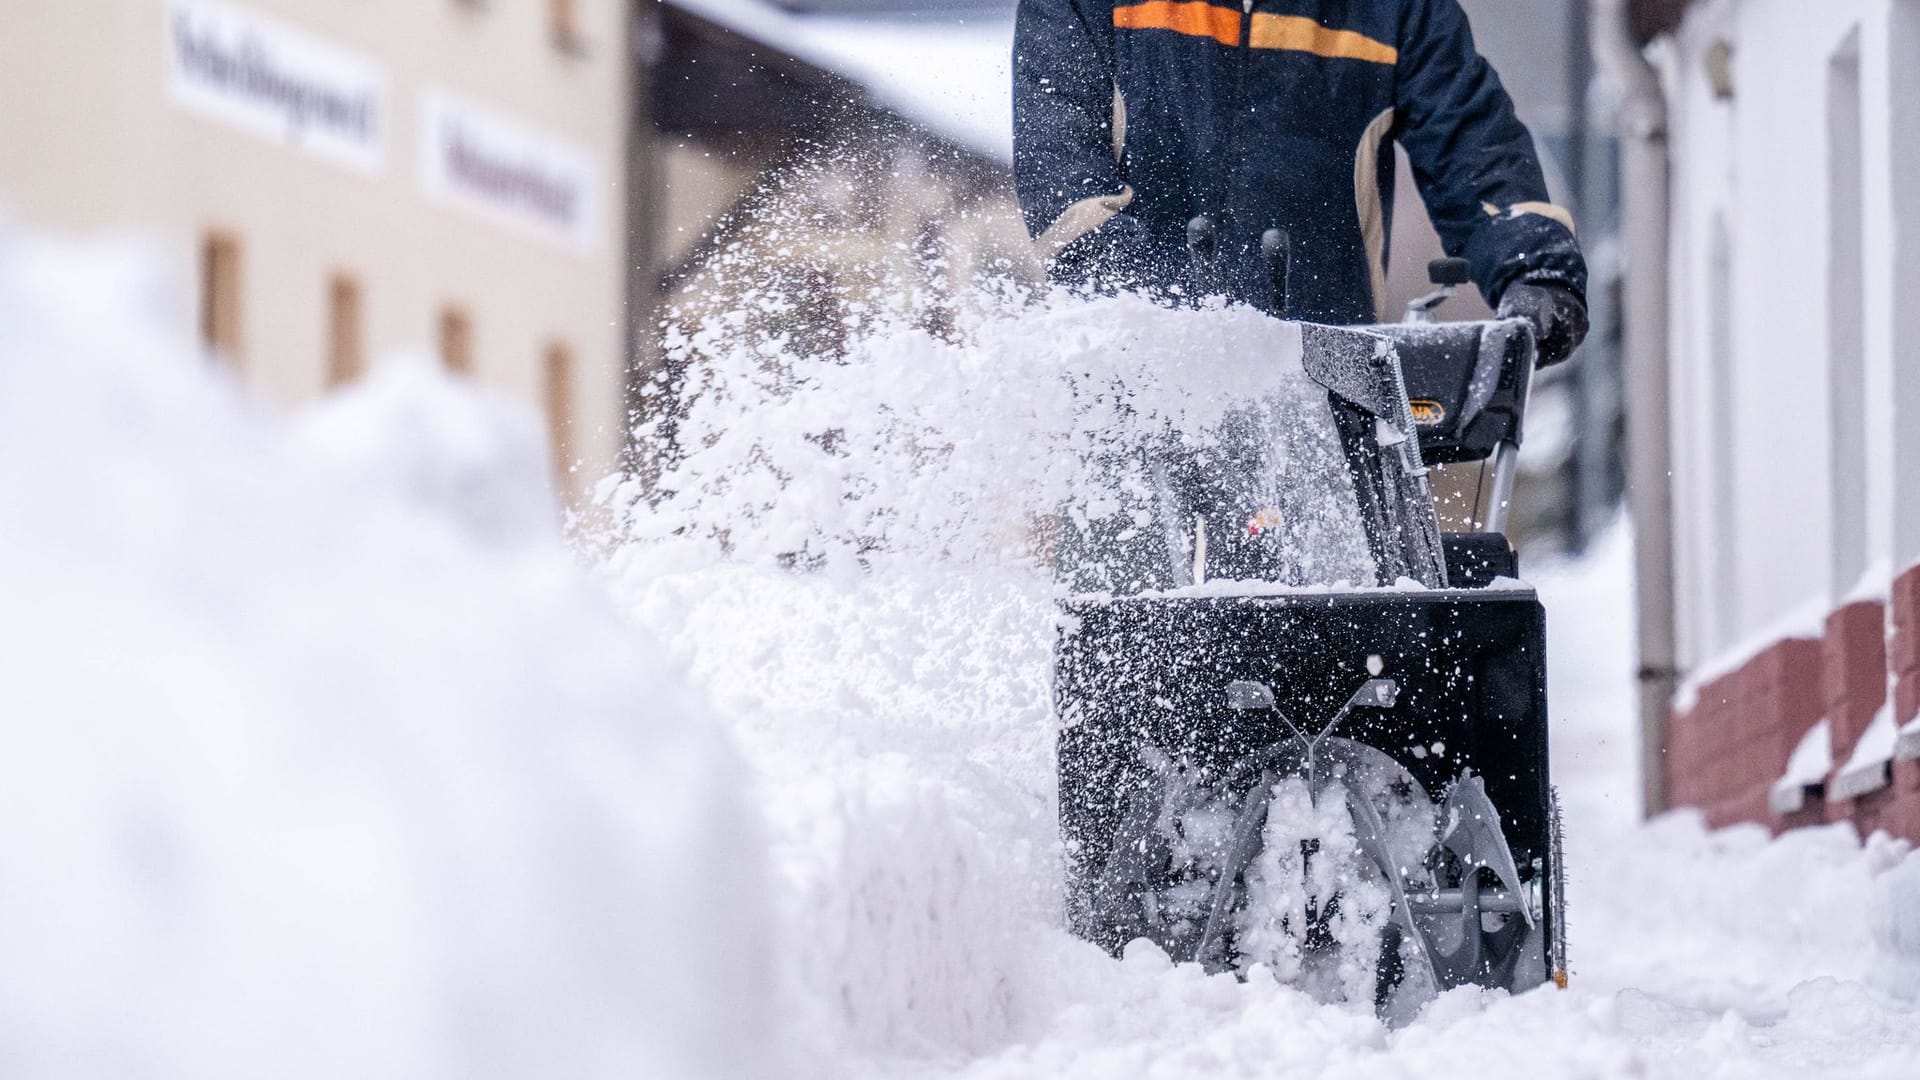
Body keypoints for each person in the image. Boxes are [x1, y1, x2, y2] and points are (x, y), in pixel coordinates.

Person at [1013, 0, 1589, 366]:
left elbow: (1470, 136)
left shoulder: (1395, 12)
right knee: (1129, 552)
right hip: (1137, 391)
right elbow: (1062, 169)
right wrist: (1154, 308)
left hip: (1325, 395)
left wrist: (1532, 268)